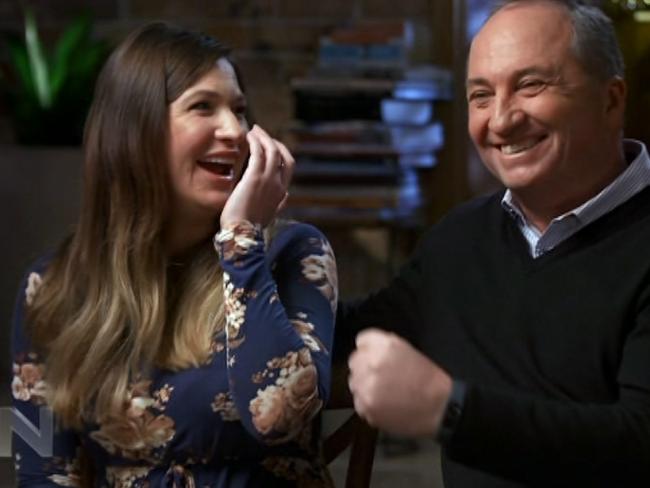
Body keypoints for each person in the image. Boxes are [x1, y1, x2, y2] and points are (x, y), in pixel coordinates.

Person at [11, 23, 338, 486]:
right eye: (203, 106)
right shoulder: (52, 287)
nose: (236, 131)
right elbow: (40, 465)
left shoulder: (293, 253)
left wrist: (242, 241)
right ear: (135, 133)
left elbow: (279, 416)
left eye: (240, 111)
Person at [341, 0, 650, 486]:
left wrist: (450, 411)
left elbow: (639, 441)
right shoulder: (460, 239)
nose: (501, 120)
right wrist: (239, 246)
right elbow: (352, 334)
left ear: (611, 101)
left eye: (530, 85)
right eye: (481, 96)